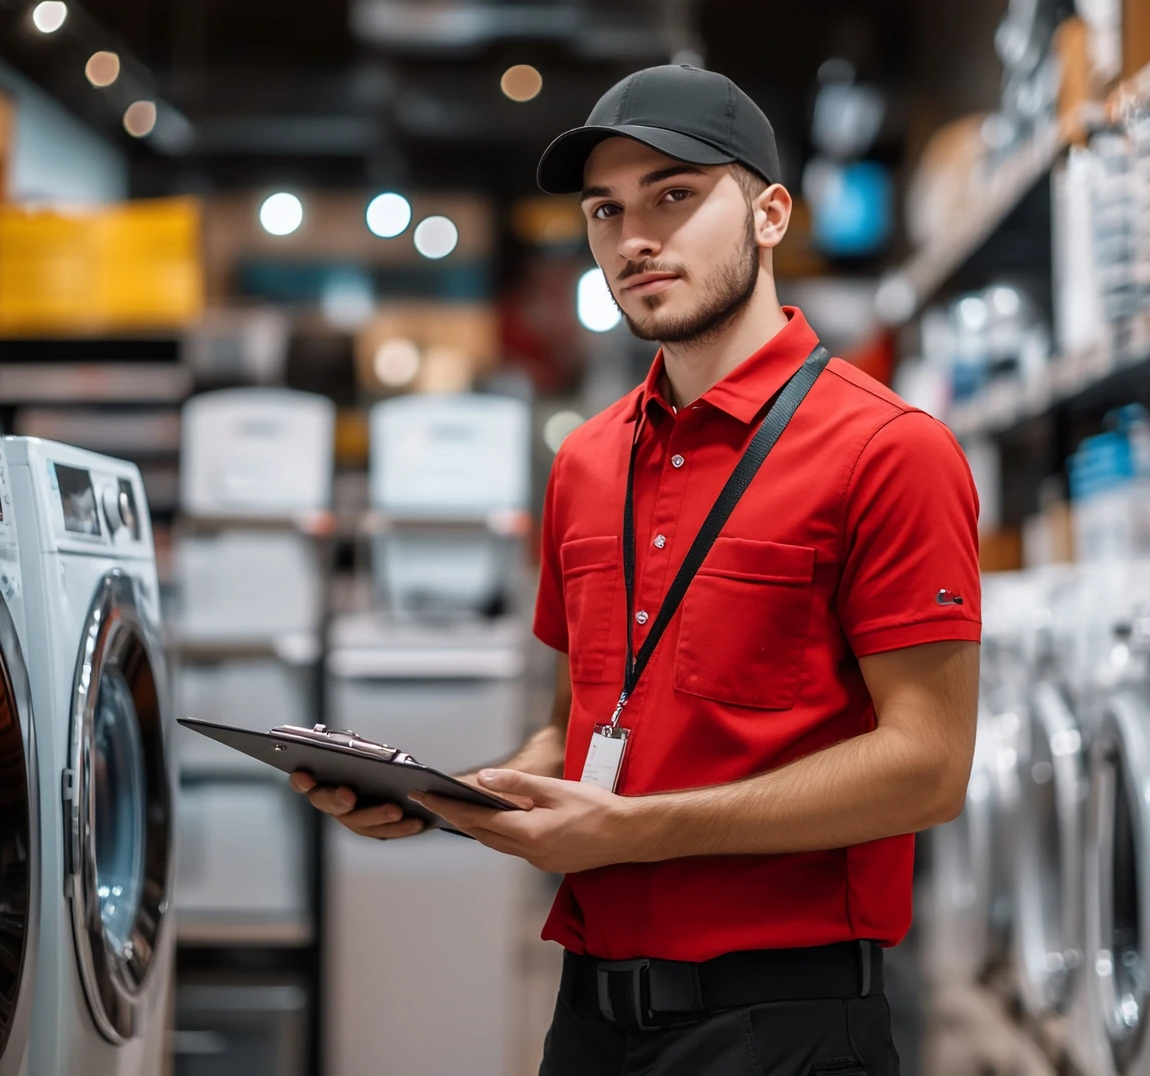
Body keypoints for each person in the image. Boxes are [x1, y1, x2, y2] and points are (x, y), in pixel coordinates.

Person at [291, 63, 980, 1075]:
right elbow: (579, 725)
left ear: (770, 214)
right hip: (590, 1019)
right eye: (605, 210)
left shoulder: (889, 450)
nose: (634, 239)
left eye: (674, 195)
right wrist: (453, 799)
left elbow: (929, 764)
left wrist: (637, 830)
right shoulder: (585, 461)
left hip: (784, 1026)